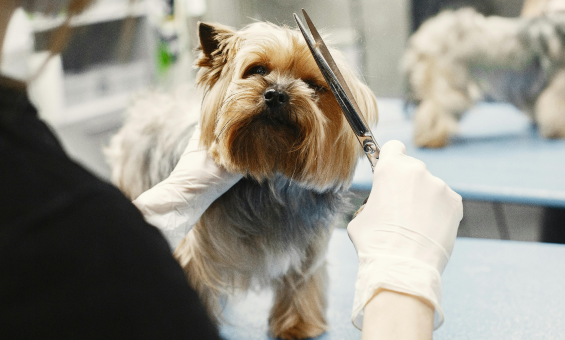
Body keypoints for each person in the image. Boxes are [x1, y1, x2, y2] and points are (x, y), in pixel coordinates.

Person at [0, 1, 463, 339]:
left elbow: (307, 261)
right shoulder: (58, 224)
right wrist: (404, 280)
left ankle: (294, 315)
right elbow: (166, 288)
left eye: (310, 83)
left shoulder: (39, 183)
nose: (279, 91)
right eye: (259, 70)